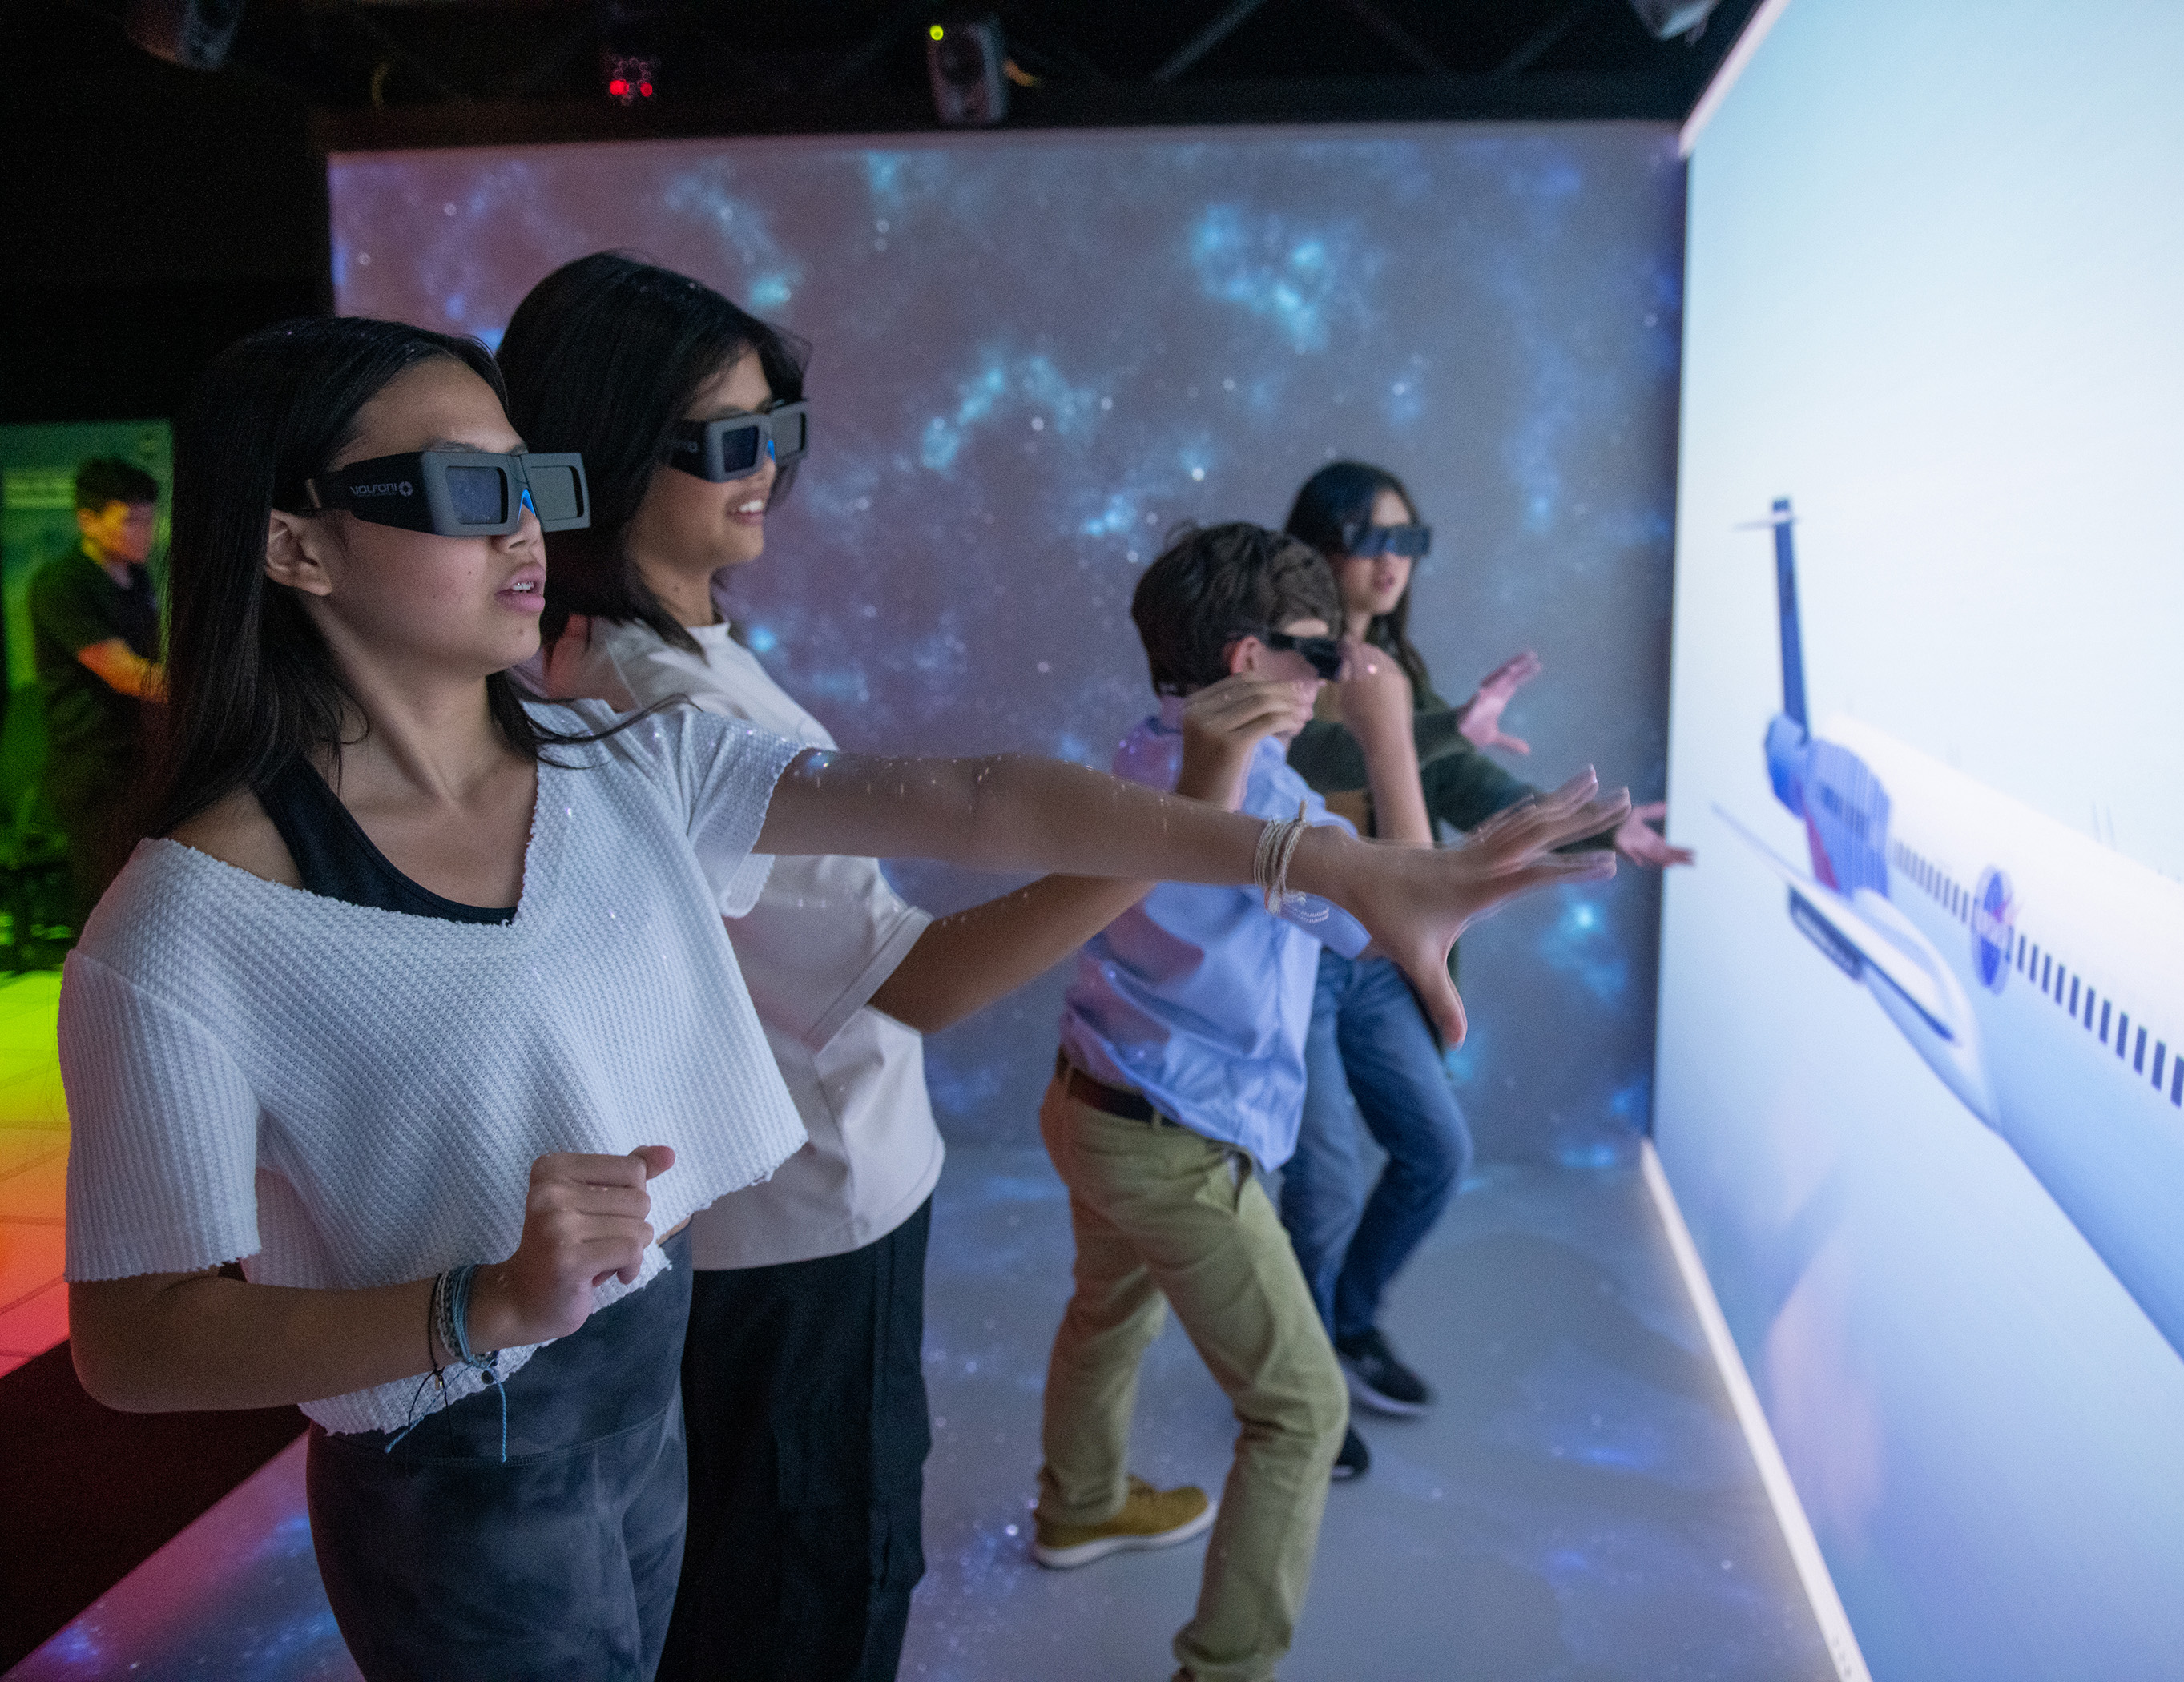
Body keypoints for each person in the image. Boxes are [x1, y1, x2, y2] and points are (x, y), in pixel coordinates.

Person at [58, 319, 1626, 1682]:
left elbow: (975, 800)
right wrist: (484, 1306)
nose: (528, 529)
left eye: (531, 482)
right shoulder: (187, 932)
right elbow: (136, 1342)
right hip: (453, 1457)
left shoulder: (623, 766)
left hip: (639, 1369)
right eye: (468, 493)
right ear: (294, 545)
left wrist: (1326, 860)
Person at [500, 251, 1155, 1682]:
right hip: (800, 1228)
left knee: (790, 1576)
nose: (763, 473)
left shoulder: (656, 653)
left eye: (775, 432)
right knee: (811, 1595)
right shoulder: (648, 693)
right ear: (600, 459)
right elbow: (923, 969)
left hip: (803, 1204)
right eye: (721, 444)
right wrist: (1180, 836)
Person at [1034, 522, 1557, 1682]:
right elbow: (1407, 911)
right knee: (1301, 1417)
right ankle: (1224, 1667)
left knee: (1107, 1315)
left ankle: (1077, 1504)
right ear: (1246, 663)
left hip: (1087, 1102)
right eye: (1322, 657)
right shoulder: (1273, 815)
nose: (1341, 673)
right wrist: (1385, 739)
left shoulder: (1132, 751)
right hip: (1180, 1149)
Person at [1279, 461, 1694, 1479]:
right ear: (1323, 545)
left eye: (1408, 544)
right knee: (1322, 1183)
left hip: (1380, 960)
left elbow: (1444, 776)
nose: (1392, 566)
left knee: (1437, 1153)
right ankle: (1297, 1387)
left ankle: (1345, 1321)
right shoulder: (1284, 661)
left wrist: (1592, 821)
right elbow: (1306, 768)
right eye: (1375, 540)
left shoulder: (1397, 670)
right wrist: (1431, 728)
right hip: (1298, 954)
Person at [28, 457, 166, 925]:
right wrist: (215, 694)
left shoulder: (138, 578)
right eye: (131, 520)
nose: (144, 531)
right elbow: (125, 673)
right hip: (93, 766)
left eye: (150, 519)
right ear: (87, 520)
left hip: (141, 759)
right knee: (105, 902)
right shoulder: (62, 585)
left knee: (146, 896)